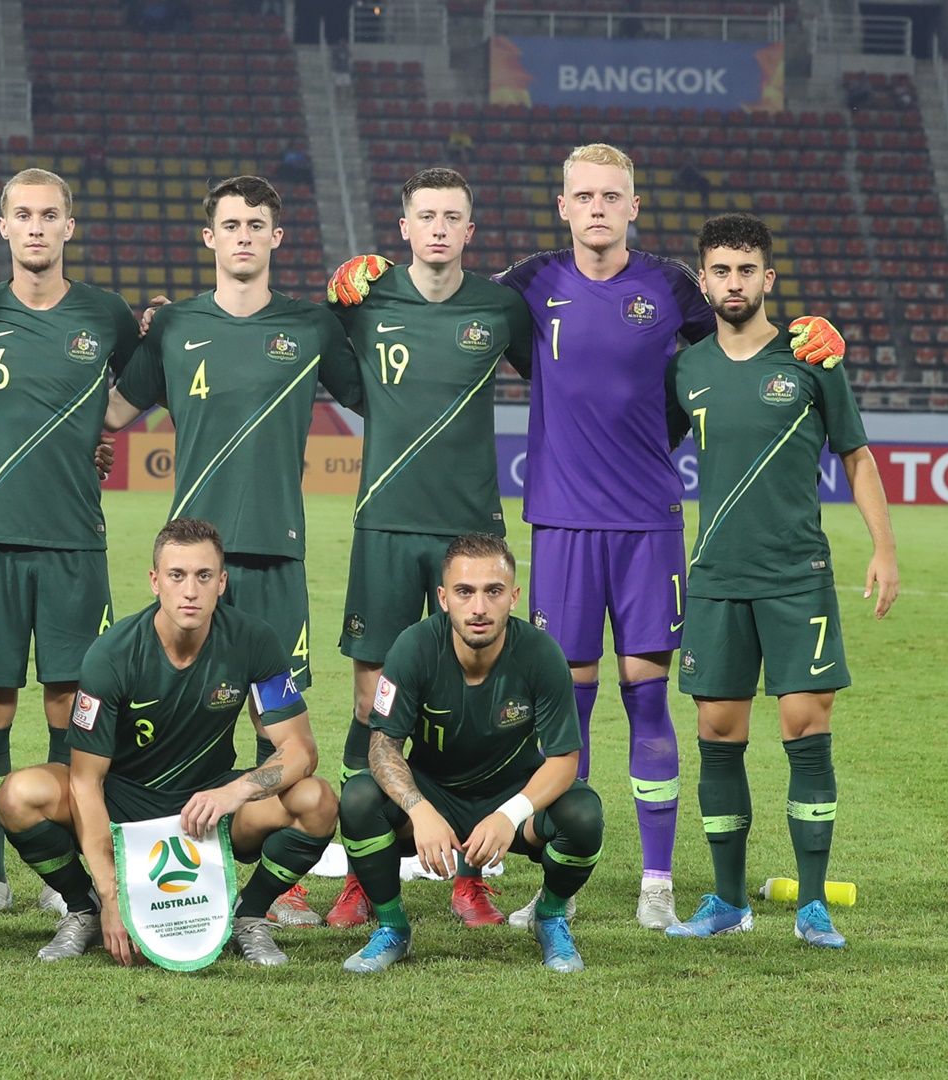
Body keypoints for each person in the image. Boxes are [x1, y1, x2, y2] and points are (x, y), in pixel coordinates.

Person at [325, 144, 846, 930]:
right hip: (561, 522)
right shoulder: (527, 287)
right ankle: (555, 883)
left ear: (634, 207)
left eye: (612, 196)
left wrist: (811, 332)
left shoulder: (674, 286)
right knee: (564, 709)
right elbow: (441, 301)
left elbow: (741, 334)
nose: (597, 207)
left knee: (648, 699)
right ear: (562, 207)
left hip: (648, 523)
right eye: (583, 195)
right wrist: (362, 282)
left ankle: (659, 883)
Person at [105, 174, 363, 926]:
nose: (244, 234)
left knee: (272, 723)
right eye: (231, 223)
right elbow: (115, 411)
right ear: (209, 238)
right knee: (179, 705)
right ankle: (158, 851)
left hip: (277, 557)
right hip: (193, 565)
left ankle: (274, 888)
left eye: (257, 224)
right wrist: (132, 333)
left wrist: (368, 311)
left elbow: (379, 395)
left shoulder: (311, 327)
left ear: (276, 239)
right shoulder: (176, 327)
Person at [663, 214, 898, 949]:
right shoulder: (687, 369)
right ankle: (728, 900)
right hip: (717, 579)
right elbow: (642, 452)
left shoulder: (812, 357)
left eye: (747, 270)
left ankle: (813, 904)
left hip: (798, 577)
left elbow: (856, 455)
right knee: (717, 733)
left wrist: (883, 549)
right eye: (721, 272)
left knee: (807, 729)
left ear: (769, 278)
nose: (734, 283)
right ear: (704, 283)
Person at [320, 167, 533, 932]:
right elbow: (342, 374)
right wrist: (332, 294)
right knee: (371, 700)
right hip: (384, 524)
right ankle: (363, 874)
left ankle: (470, 877)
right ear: (402, 226)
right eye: (426, 215)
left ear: (471, 231)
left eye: (454, 217)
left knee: (470, 704)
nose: (439, 227)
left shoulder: (500, 306)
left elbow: (566, 374)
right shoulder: (368, 298)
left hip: (469, 533)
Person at [0, 518, 337, 965]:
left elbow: (301, 750)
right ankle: (85, 911)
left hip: (208, 806)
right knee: (19, 795)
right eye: (177, 576)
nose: (190, 591)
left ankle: (249, 917)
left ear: (222, 582)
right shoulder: (112, 655)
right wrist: (112, 895)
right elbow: (85, 783)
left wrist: (235, 792)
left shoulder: (254, 640)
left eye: (204, 576)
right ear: (156, 581)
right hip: (124, 805)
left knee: (317, 800)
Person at [0, 168, 139, 920]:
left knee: (68, 704)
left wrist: (105, 423)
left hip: (73, 543)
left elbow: (146, 368)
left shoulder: (105, 313)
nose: (34, 226)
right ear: (2, 227)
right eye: (21, 214)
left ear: (68, 227)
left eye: (48, 214)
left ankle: (61, 874)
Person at [339, 533, 601, 973]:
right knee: (359, 798)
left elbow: (564, 759)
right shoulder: (413, 646)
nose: (479, 607)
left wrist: (509, 815)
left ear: (513, 596)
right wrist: (419, 810)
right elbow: (382, 746)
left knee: (584, 814)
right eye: (465, 591)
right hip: (434, 796)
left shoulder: (541, 653)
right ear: (443, 598)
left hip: (510, 798)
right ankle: (392, 929)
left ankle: (550, 917)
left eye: (493, 591)